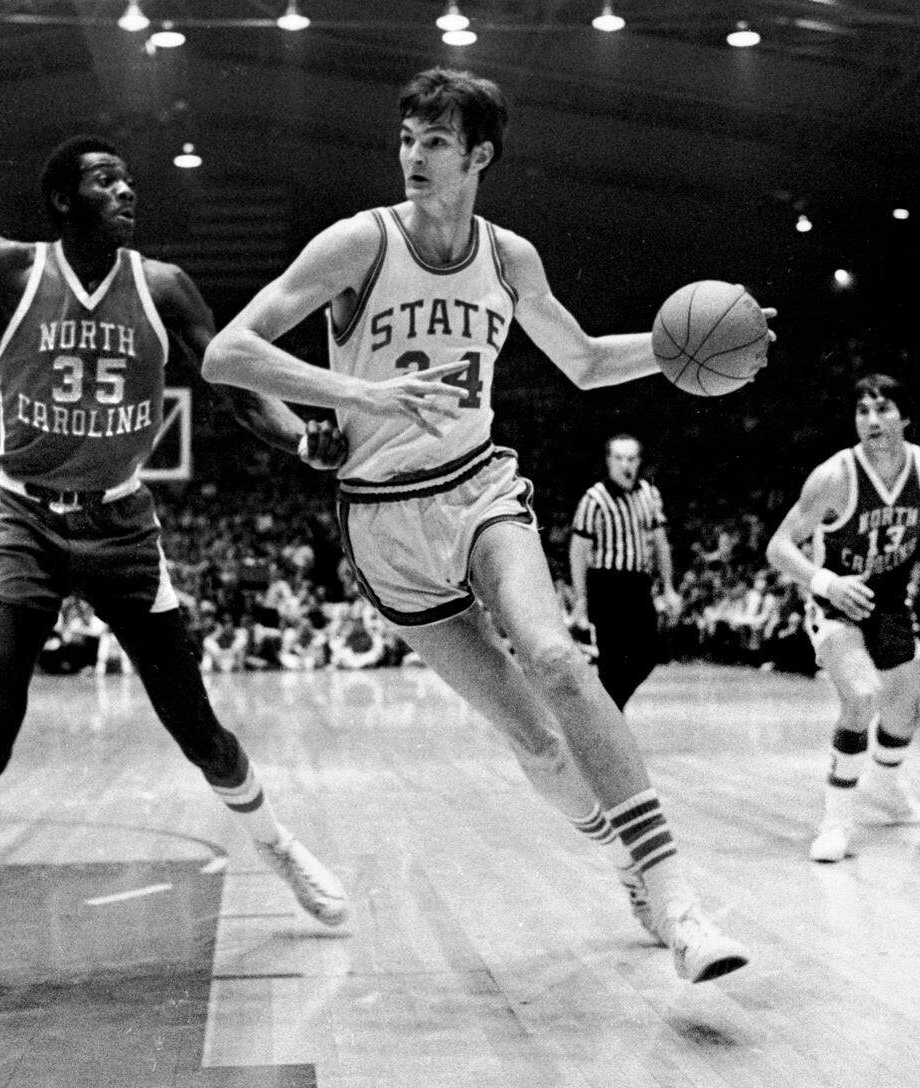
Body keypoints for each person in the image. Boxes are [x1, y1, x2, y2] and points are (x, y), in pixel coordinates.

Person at [204, 68, 775, 982]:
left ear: (479, 156)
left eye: (434, 142)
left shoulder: (510, 259)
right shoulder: (360, 243)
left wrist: (692, 347)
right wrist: (361, 394)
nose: (413, 156)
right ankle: (625, 863)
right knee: (536, 743)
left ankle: (681, 908)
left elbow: (584, 362)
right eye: (407, 139)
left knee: (557, 659)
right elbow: (227, 353)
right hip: (381, 521)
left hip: (479, 489)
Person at [0, 135, 350, 998]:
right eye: (104, 179)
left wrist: (302, 443)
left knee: (198, 730)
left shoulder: (164, 287)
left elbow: (236, 388)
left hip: (121, 524)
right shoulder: (5, 267)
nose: (126, 189)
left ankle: (279, 847)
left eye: (127, 179)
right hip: (23, 519)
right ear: (62, 199)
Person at [766, 373, 920, 862]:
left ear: (905, 417)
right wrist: (826, 583)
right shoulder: (835, 476)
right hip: (836, 602)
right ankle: (835, 821)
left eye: (883, 409)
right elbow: (778, 546)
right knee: (861, 696)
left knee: (905, 709)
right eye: (863, 411)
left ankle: (886, 785)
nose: (871, 420)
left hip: (891, 600)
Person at [568, 434, 682, 710]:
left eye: (630, 458)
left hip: (638, 582)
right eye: (618, 458)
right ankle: (610, 719)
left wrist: (668, 586)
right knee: (612, 660)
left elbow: (661, 543)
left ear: (639, 462)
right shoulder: (594, 498)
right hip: (606, 583)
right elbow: (578, 551)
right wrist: (581, 598)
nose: (625, 465)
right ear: (609, 462)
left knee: (649, 653)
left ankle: (604, 713)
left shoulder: (649, 494)